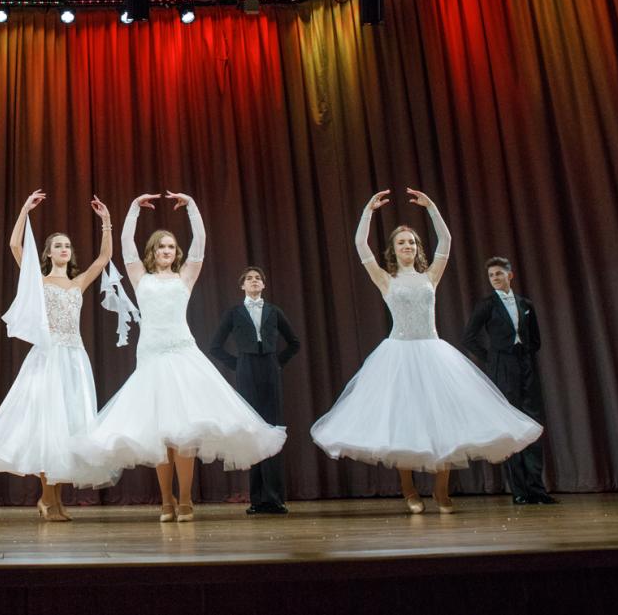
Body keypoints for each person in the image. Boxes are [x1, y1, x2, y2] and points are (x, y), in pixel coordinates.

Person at [311, 189, 543, 514]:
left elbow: (445, 241)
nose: (407, 246)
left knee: (442, 421)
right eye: (401, 242)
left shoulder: (430, 276)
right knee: (403, 424)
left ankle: (441, 491)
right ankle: (409, 490)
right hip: (398, 356)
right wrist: (368, 212)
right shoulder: (385, 279)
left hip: (433, 354)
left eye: (412, 242)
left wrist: (432, 208)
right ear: (393, 249)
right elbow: (360, 245)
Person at [74, 192, 286, 522]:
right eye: (161, 247)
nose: (166, 251)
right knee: (161, 435)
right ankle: (166, 501)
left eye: (171, 247)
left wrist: (192, 207)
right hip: (151, 357)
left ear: (177, 252)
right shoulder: (140, 277)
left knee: (184, 433)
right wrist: (132, 209)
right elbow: (126, 244)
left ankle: (185, 500)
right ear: (152, 251)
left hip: (183, 354)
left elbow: (200, 242)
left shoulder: (185, 275)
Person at [0, 190, 118, 521]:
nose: (64, 249)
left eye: (67, 245)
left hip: (75, 358)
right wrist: (24, 211)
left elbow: (103, 259)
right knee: (48, 427)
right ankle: (48, 500)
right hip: (48, 357)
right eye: (58, 245)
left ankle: (54, 501)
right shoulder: (39, 281)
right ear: (48, 252)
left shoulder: (78, 282)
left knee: (70, 428)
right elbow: (15, 246)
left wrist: (107, 222)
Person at [462, 256, 556, 505]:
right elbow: (469, 337)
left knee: (532, 423)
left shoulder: (526, 304)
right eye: (491, 275)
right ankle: (520, 491)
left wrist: (524, 354)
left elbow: (535, 339)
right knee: (510, 426)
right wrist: (493, 360)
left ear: (509, 275)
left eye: (499, 274)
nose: (495, 278)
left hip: (526, 366)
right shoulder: (487, 305)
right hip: (502, 369)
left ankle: (538, 489)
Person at [207, 266, 301, 514]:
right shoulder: (234, 313)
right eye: (249, 278)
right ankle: (257, 499)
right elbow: (215, 346)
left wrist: (277, 363)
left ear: (264, 285)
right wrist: (238, 365)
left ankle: (275, 499)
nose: (254, 281)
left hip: (269, 367)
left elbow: (294, 343)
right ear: (242, 286)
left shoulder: (274, 311)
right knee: (252, 429)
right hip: (246, 369)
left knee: (271, 427)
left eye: (258, 278)